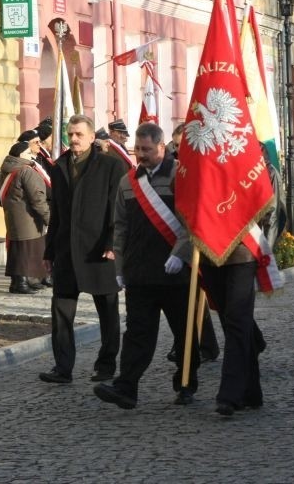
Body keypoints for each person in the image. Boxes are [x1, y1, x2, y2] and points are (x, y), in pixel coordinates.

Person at [93, 123, 200, 409]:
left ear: (161, 147)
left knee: (184, 332)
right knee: (138, 333)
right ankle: (126, 387)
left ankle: (187, 383)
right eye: (138, 149)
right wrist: (119, 268)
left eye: (147, 150)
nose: (141, 155)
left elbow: (193, 221)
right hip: (140, 272)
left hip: (175, 272)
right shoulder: (129, 182)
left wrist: (181, 254)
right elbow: (121, 227)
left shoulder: (181, 176)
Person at [39, 115, 126, 384]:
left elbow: (118, 209)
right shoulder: (59, 166)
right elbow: (56, 214)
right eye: (70, 134)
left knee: (107, 311)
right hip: (66, 251)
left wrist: (112, 244)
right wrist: (49, 251)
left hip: (100, 251)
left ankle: (106, 365)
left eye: (79, 134)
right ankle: (62, 368)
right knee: (62, 312)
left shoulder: (111, 166)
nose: (74, 139)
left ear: (91, 137)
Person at [0, 141, 50, 294]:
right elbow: (37, 198)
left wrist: (12, 206)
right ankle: (21, 283)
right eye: (29, 153)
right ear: (22, 155)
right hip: (28, 216)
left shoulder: (7, 170)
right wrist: (48, 216)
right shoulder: (26, 171)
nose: (32, 155)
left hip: (13, 216)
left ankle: (24, 281)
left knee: (18, 249)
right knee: (27, 249)